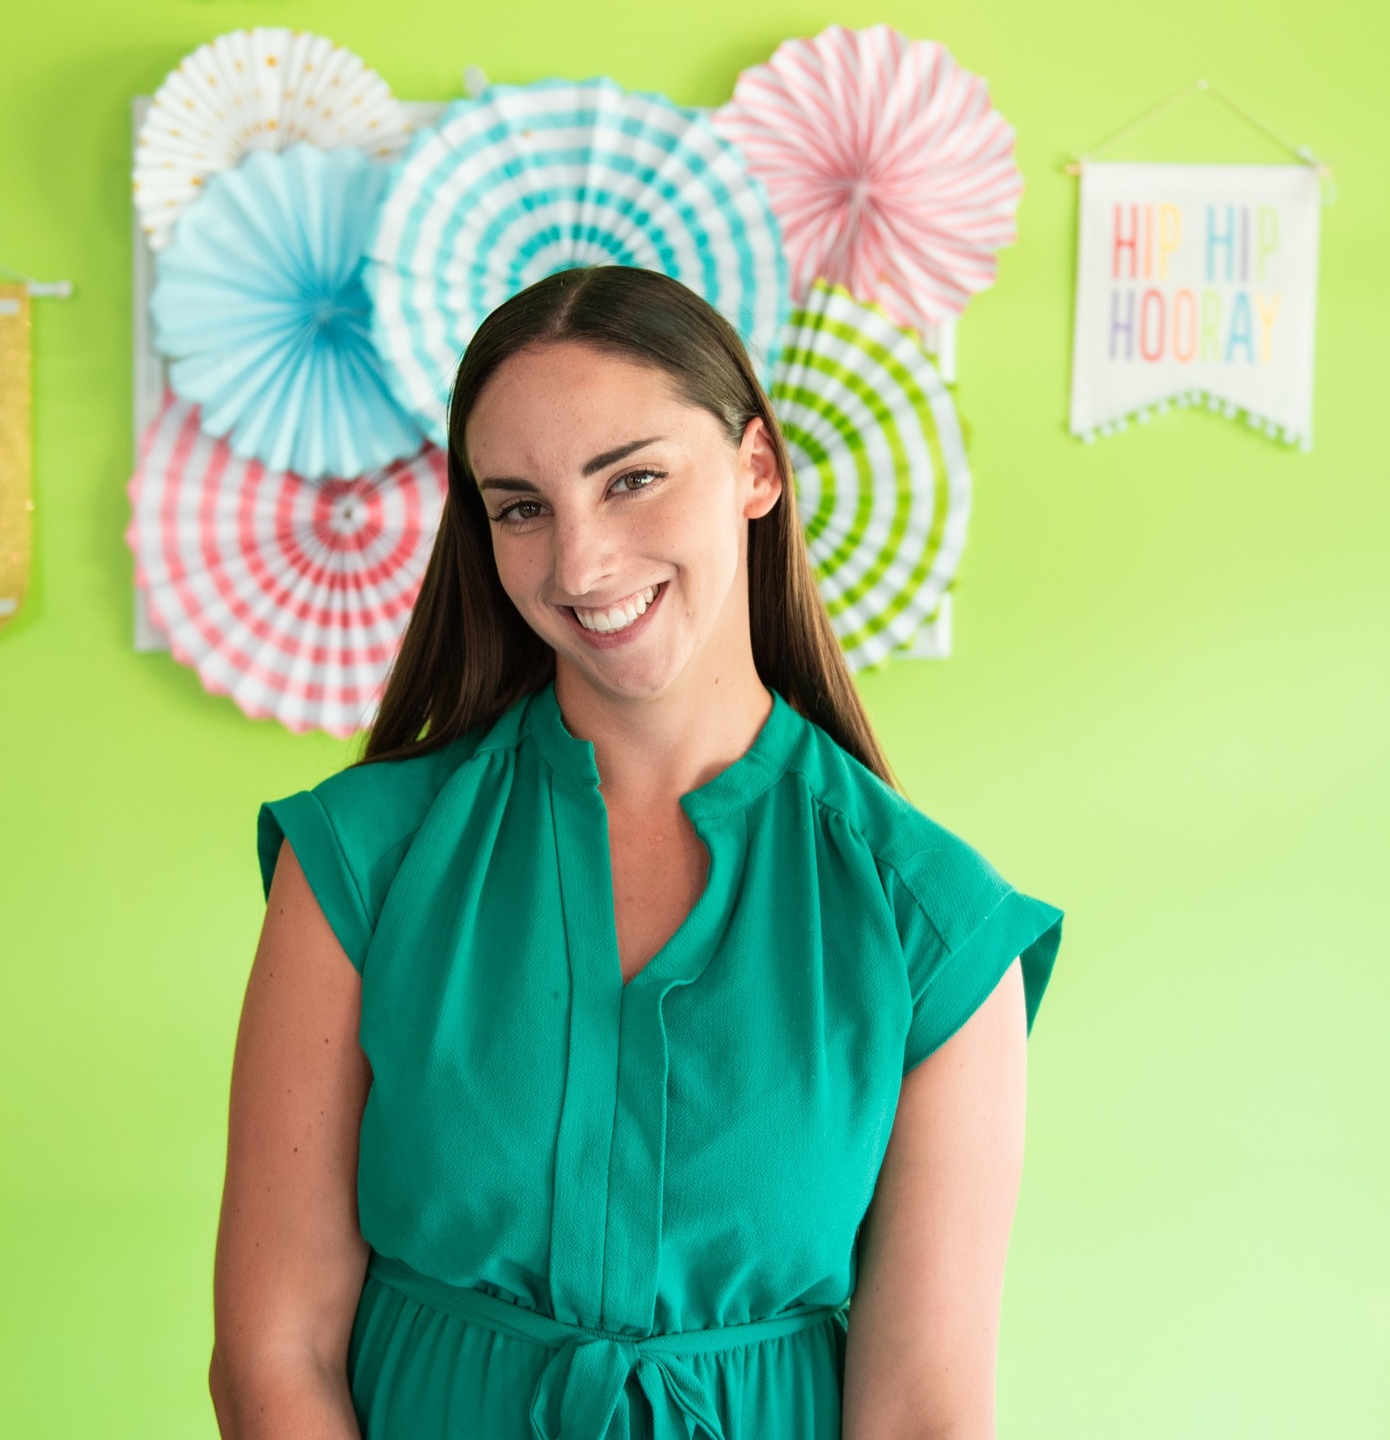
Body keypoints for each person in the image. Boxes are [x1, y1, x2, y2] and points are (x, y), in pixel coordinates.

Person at [210, 265, 1063, 1440]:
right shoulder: (361, 862)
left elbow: (923, 1415)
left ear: (757, 468)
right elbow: (273, 1359)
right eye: (522, 507)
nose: (580, 566)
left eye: (633, 480)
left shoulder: (935, 928)